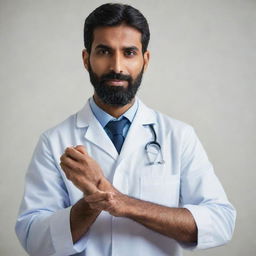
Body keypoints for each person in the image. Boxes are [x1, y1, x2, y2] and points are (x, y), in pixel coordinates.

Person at [15, 3, 236, 256]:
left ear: (145, 59)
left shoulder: (179, 136)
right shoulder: (54, 142)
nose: (117, 66)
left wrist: (119, 201)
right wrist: (90, 204)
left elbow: (220, 222)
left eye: (129, 52)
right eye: (104, 51)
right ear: (87, 59)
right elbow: (33, 239)